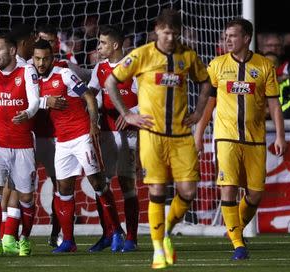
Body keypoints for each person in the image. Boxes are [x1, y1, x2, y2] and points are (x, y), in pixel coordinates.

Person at [105, 9, 212, 269]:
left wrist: (198, 112)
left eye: (175, 33)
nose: (170, 37)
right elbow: (110, 82)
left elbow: (206, 82)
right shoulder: (141, 55)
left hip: (180, 135)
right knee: (156, 190)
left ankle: (166, 233)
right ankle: (157, 250)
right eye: (166, 32)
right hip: (152, 134)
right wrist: (127, 114)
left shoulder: (187, 55)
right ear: (157, 30)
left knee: (188, 191)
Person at [198, 18, 287, 260]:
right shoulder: (216, 65)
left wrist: (280, 135)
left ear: (246, 38)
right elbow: (209, 103)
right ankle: (238, 244)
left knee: (255, 194)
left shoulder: (264, 66)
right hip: (225, 137)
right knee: (228, 189)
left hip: (255, 139)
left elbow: (274, 105)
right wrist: (198, 134)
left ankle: (233, 227)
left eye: (233, 36)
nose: (228, 40)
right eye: (226, 36)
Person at [32, 39, 124, 253]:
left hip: (82, 136)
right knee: (63, 189)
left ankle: (117, 231)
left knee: (97, 183)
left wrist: (93, 125)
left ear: (52, 58)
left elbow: (89, 96)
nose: (41, 62)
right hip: (62, 142)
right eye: (37, 58)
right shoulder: (33, 80)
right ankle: (68, 241)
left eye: (45, 58)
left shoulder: (63, 75)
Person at [0, 33, 39, 257]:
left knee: (26, 198)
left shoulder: (27, 71)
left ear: (12, 51)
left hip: (22, 145)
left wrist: (27, 113)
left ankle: (24, 239)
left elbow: (35, 101)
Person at [87, 25, 139, 253]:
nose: (99, 47)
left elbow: (147, 98)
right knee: (101, 184)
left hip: (129, 133)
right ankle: (109, 233)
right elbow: (90, 96)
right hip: (106, 133)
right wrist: (93, 115)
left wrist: (131, 114)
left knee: (127, 183)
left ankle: (131, 238)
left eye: (103, 43)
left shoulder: (133, 67)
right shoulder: (99, 68)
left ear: (115, 45)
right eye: (99, 43)